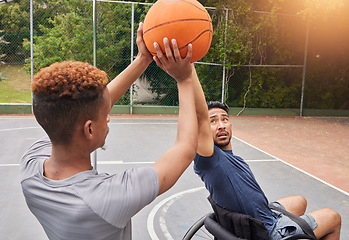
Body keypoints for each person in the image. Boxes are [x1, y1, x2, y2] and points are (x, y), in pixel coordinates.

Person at [20, 22, 198, 240]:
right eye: (105, 115)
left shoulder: (30, 168)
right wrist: (185, 78)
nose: (109, 117)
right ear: (90, 129)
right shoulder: (108, 198)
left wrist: (142, 60)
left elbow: (88, 106)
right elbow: (186, 148)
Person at [191, 68, 341, 239]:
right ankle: (290, 233)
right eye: (212, 121)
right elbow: (199, 113)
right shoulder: (210, 160)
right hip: (266, 231)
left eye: (225, 119)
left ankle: (294, 229)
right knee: (333, 217)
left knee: (299, 201)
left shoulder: (229, 158)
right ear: (202, 129)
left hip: (262, 217)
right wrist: (188, 70)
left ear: (231, 125)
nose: (221, 125)